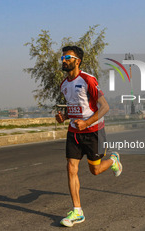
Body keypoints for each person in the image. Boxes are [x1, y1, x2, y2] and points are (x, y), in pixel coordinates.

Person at [55, 45, 122, 227]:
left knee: (95, 170)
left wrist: (86, 122)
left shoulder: (88, 80)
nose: (64, 60)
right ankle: (77, 211)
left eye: (68, 57)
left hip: (94, 132)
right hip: (74, 133)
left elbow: (105, 107)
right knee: (71, 168)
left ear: (78, 61)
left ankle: (114, 160)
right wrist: (64, 116)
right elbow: (75, 109)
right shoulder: (64, 85)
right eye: (62, 58)